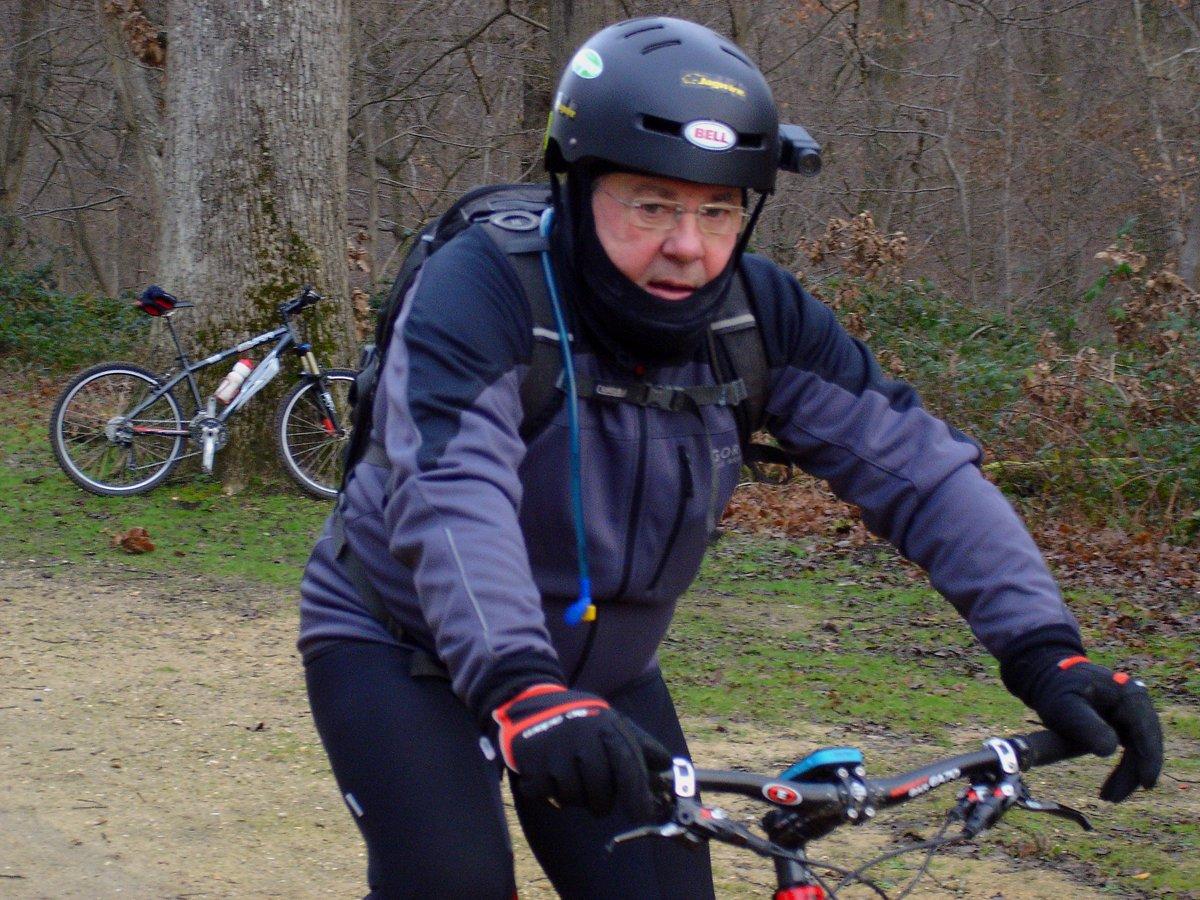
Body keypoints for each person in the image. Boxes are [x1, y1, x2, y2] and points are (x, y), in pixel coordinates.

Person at [298, 17, 1162, 899]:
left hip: (606, 679)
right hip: (405, 650)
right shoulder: (483, 289)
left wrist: (1045, 649)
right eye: (651, 205)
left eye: (717, 210)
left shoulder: (759, 316)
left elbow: (922, 475)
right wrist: (524, 687)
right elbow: (452, 491)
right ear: (578, 187)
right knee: (452, 883)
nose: (688, 244)